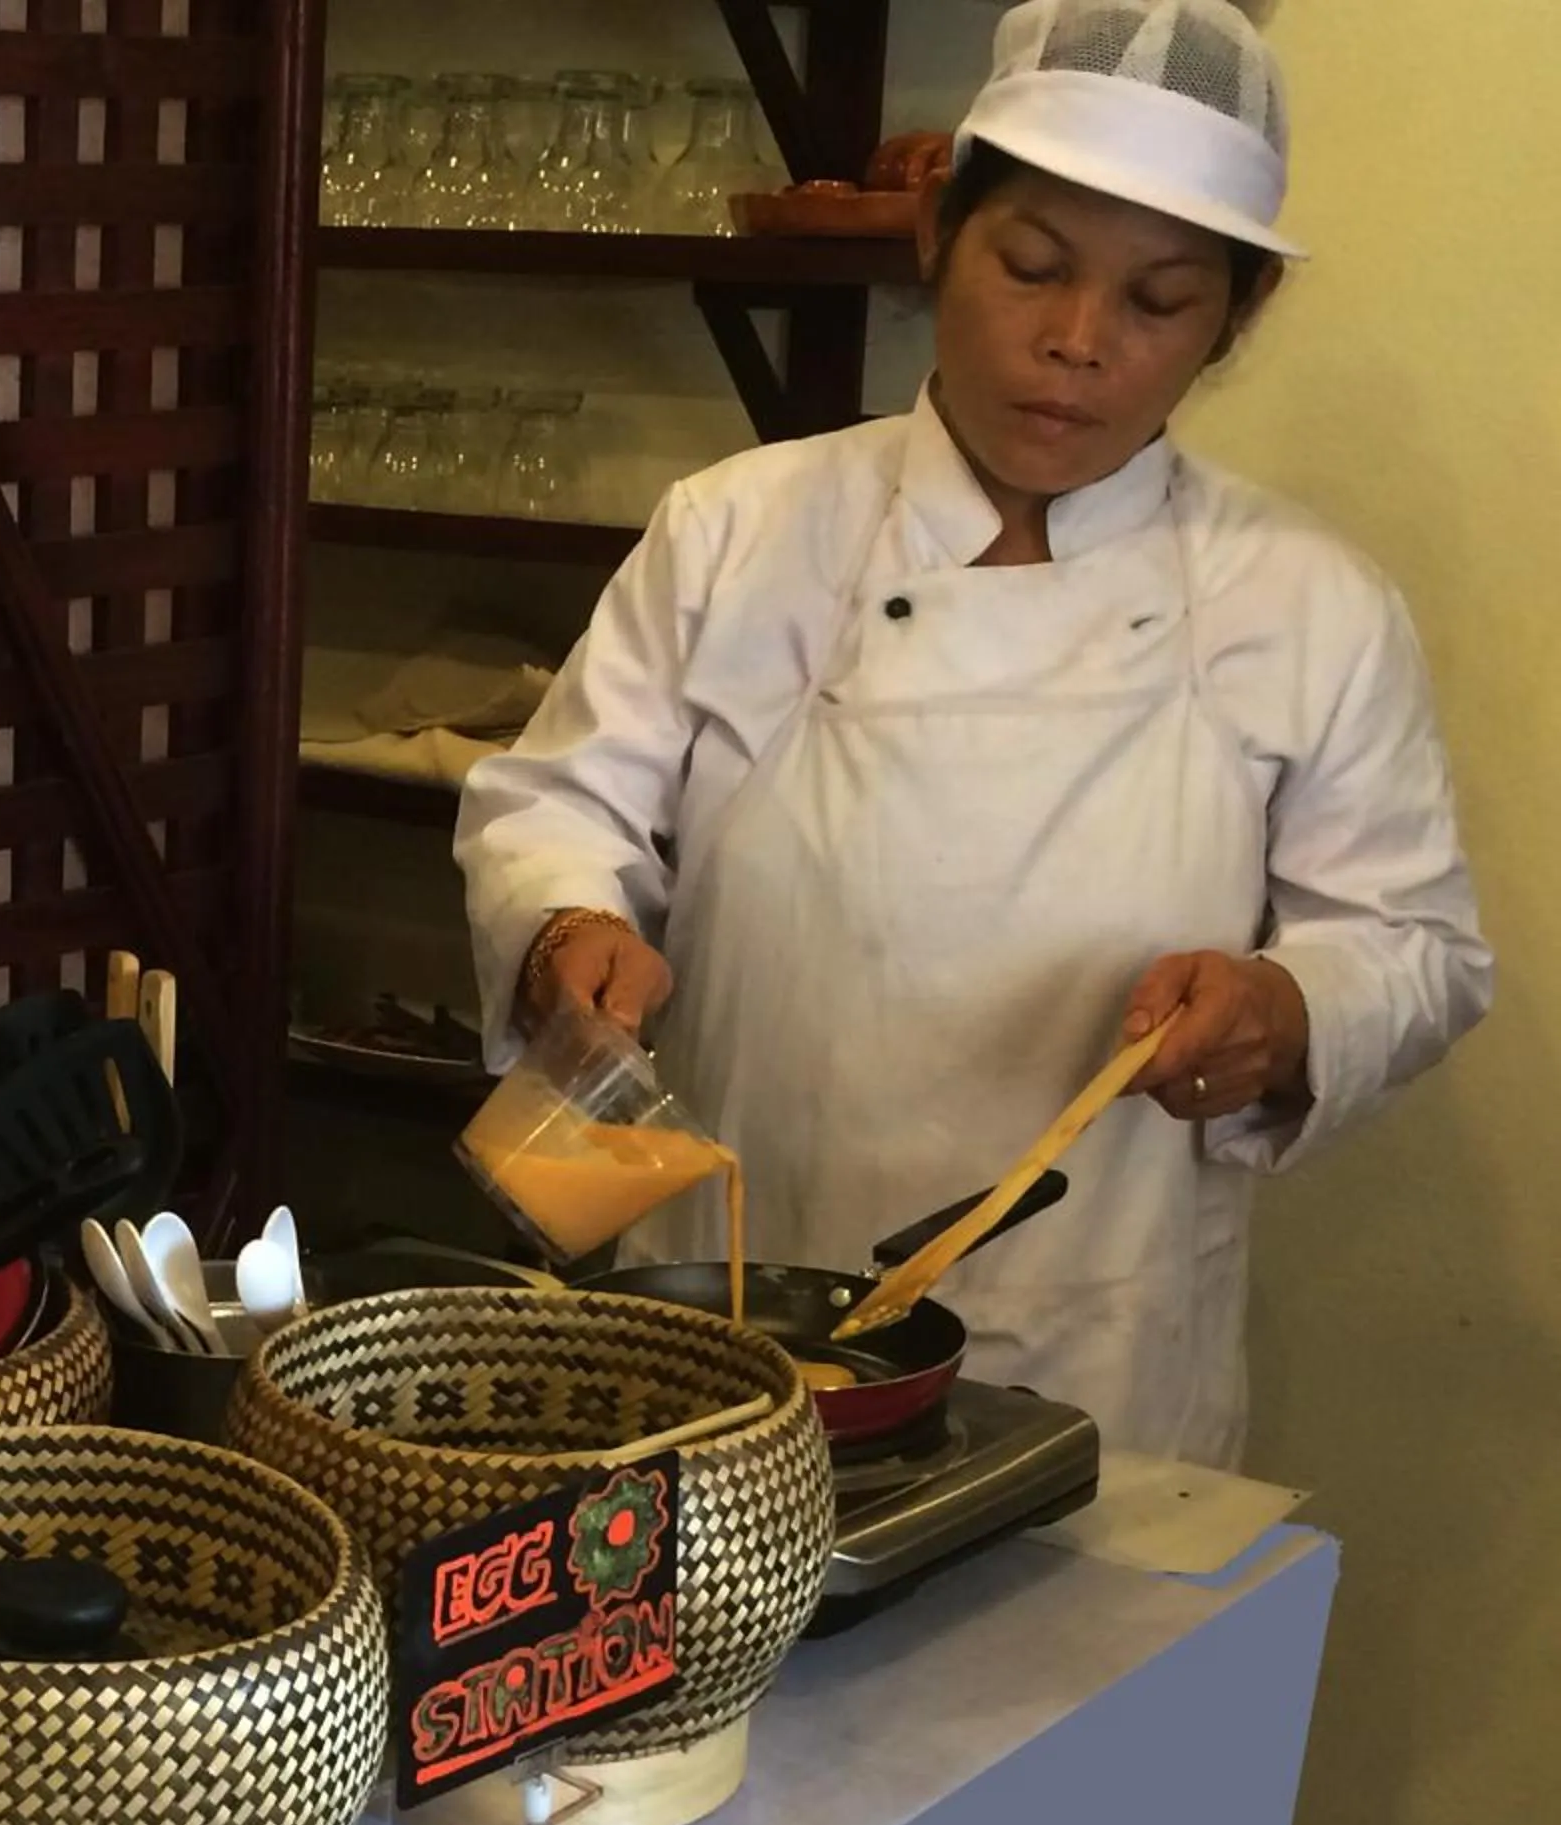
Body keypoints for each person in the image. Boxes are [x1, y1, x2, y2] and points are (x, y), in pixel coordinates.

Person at [453, 0, 1491, 1468]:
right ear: (940, 231)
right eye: (1033, 266)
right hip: (721, 1324)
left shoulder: (1307, 603)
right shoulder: (743, 527)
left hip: (1101, 1357)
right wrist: (569, 927)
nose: (1077, 344)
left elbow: (1419, 943)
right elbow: (555, 805)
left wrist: (1289, 1009)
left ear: (1232, 321)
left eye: (1159, 303)